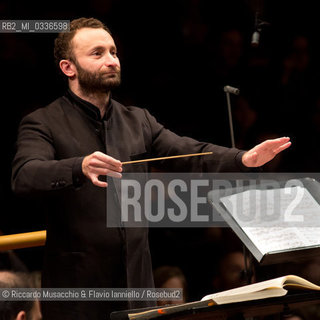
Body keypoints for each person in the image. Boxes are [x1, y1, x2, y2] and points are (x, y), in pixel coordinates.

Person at [11, 17, 291, 319]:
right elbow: (24, 175)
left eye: (113, 52)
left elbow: (189, 151)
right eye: (97, 53)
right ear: (68, 68)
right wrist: (78, 167)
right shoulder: (43, 121)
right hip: (78, 290)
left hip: (137, 285)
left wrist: (242, 158)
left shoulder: (137, 120)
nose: (110, 60)